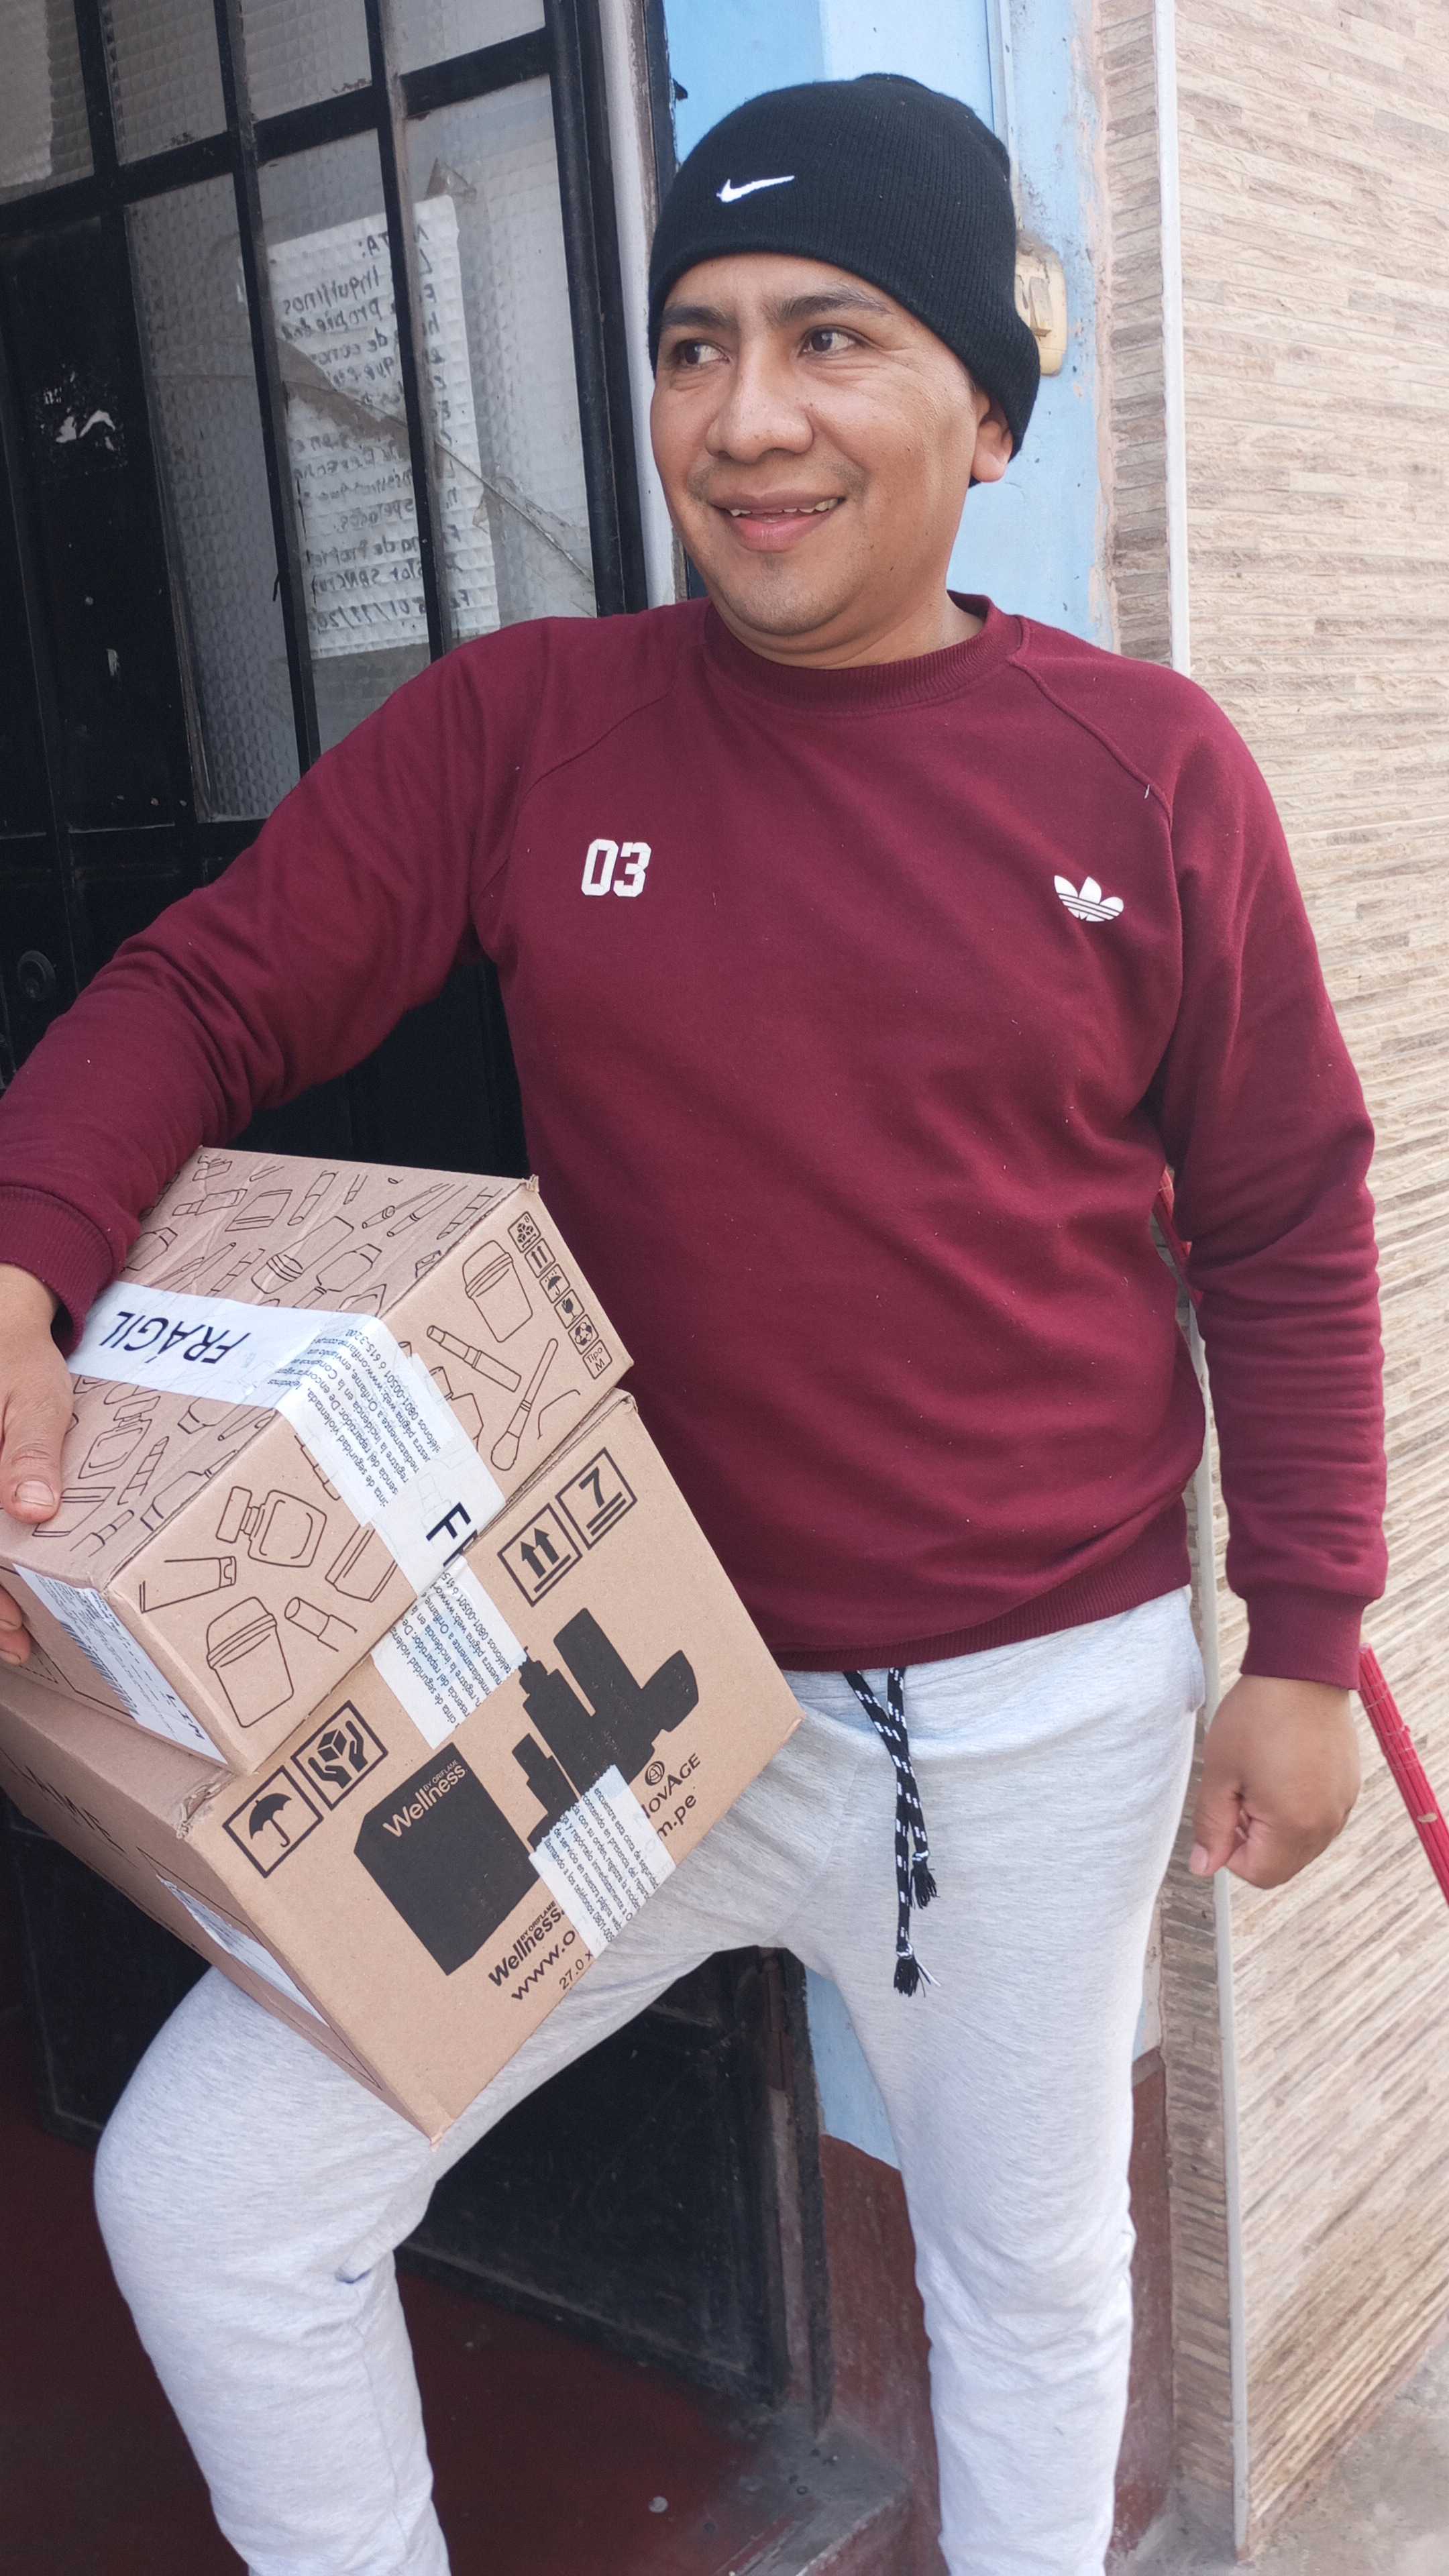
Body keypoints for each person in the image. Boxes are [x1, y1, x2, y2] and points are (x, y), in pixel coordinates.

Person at [0, 73, 1383, 2576]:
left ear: (987, 416)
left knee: (1033, 2288)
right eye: (693, 343)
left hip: (1042, 1718)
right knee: (216, 2198)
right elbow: (207, 989)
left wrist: (1303, 1637)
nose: (746, 418)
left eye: (833, 338)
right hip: (624, 1691)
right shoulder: (530, 731)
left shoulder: (1143, 773)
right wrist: (21, 1266)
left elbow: (1286, 1213)